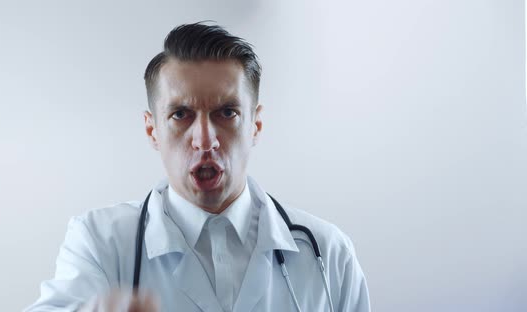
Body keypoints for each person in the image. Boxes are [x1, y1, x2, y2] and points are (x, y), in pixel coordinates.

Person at [25, 22, 370, 312]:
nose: (205, 140)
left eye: (227, 113)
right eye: (180, 114)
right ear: (152, 130)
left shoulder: (328, 253)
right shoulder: (100, 243)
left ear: (256, 125)